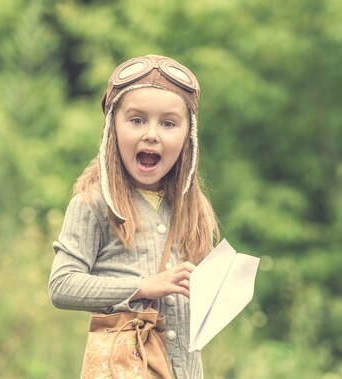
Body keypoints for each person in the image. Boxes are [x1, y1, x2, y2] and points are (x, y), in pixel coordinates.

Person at [49, 54, 219, 379]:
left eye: (168, 123)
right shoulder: (93, 202)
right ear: (113, 126)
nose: (152, 134)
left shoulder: (194, 209)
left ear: (188, 137)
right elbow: (61, 285)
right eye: (137, 120)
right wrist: (143, 286)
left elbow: (201, 304)